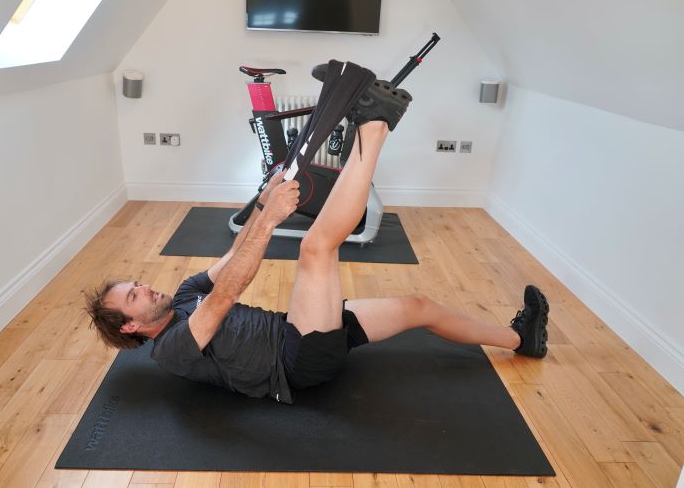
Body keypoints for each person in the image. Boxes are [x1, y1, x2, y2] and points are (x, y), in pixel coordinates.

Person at [85, 64, 549, 405]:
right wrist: (269, 221)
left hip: (298, 329)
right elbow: (226, 294)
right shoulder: (172, 350)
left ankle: (521, 341)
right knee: (316, 246)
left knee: (418, 308)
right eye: (133, 296)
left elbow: (230, 259)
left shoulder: (185, 292)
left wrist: (264, 205)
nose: (143, 286)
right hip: (295, 364)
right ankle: (376, 121)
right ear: (131, 326)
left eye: (135, 284)